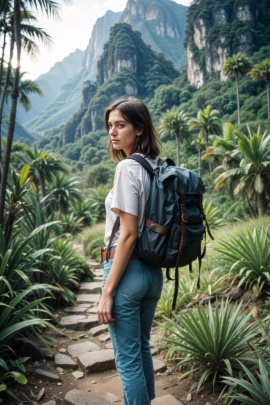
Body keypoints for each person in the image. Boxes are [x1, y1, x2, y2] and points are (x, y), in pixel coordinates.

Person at [97, 97, 163, 405]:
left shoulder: (126, 167)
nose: (112, 132)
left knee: (128, 361)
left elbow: (128, 234)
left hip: (126, 273)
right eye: (110, 125)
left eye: (120, 125)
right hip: (152, 274)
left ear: (139, 129)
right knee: (142, 348)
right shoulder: (156, 166)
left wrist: (108, 291)